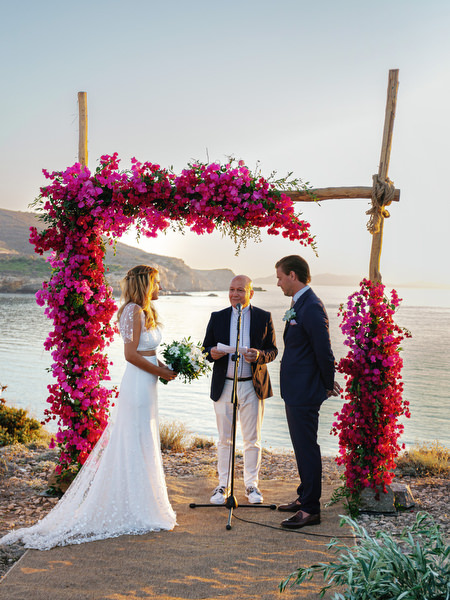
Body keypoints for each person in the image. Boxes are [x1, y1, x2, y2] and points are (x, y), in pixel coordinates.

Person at [0, 265, 178, 550]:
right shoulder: (133, 311)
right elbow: (131, 355)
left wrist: (164, 367)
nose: (160, 287)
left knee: (143, 439)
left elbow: (147, 352)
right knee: (135, 438)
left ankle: (143, 501)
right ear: (145, 284)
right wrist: (158, 372)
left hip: (148, 383)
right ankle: (135, 505)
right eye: (156, 283)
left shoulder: (145, 312)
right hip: (138, 383)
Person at [275, 255, 341, 529]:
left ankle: (311, 509)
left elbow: (323, 350)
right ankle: (304, 497)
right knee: (301, 447)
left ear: (293, 275)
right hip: (296, 389)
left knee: (307, 448)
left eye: (279, 277)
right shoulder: (299, 303)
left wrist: (328, 383)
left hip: (305, 390)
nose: (278, 283)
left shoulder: (311, 306)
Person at [202, 275, 277, 505]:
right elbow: (205, 348)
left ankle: (251, 486)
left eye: (240, 290)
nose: (235, 294)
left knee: (252, 439)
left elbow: (273, 351)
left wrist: (259, 355)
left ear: (250, 293)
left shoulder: (264, 317)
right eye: (232, 289)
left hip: (252, 386)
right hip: (224, 385)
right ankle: (223, 486)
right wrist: (212, 353)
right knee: (225, 439)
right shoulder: (218, 317)